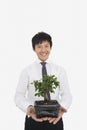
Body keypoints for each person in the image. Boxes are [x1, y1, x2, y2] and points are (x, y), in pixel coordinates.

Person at [14, 32, 72, 130]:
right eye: (39, 46)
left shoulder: (59, 70)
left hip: (55, 119)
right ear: (34, 48)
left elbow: (67, 94)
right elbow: (19, 95)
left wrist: (62, 107)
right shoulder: (27, 71)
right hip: (33, 119)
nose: (43, 50)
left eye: (46, 46)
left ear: (51, 47)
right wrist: (28, 107)